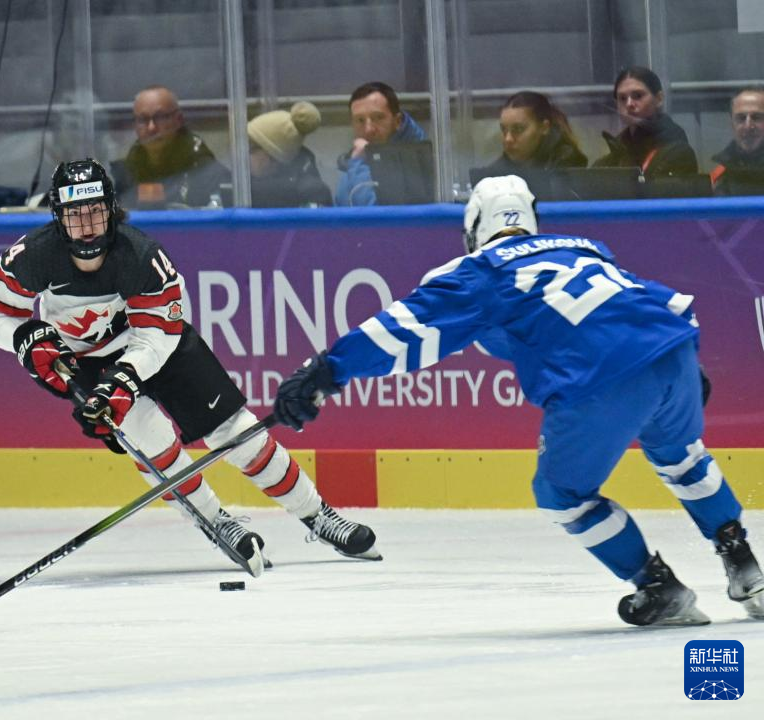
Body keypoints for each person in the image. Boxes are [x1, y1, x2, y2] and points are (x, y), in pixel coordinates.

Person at [272, 174, 764, 627]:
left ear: (473, 230)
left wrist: (327, 370)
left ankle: (657, 586)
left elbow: (402, 329)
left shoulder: (481, 271)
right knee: (682, 458)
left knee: (561, 494)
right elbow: (667, 301)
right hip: (674, 349)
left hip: (600, 375)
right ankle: (745, 565)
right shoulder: (584, 249)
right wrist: (689, 360)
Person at [0, 158, 379, 575]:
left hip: (158, 348)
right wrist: (25, 338)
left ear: (110, 209)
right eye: (75, 214)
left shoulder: (141, 256)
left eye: (95, 211)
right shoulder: (33, 256)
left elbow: (158, 333)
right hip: (87, 363)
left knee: (237, 432)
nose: (88, 225)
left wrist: (126, 376)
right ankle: (216, 521)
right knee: (152, 440)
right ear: (58, 217)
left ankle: (318, 514)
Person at [109, 86, 230, 209]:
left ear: (179, 120)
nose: (151, 127)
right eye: (143, 119)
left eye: (160, 117)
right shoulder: (124, 175)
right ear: (135, 125)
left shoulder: (206, 171)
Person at [593, 66, 698, 178]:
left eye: (638, 96)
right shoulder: (615, 154)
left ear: (659, 99)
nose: (629, 104)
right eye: (622, 98)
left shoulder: (677, 152)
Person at [335, 82, 429, 206]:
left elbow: (374, 214)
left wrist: (358, 163)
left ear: (398, 121)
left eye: (378, 118)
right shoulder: (354, 163)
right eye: (360, 120)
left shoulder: (411, 160)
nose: (368, 129)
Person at [247, 101, 333, 208]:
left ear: (272, 157)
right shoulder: (248, 186)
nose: (246, 156)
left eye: (252, 149)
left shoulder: (312, 193)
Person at [484, 91, 587, 175]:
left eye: (518, 129)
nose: (508, 139)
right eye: (503, 129)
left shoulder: (566, 163)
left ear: (544, 127)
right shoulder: (496, 172)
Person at [709, 87, 764, 195]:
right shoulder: (717, 179)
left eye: (757, 117)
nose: (748, 126)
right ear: (732, 123)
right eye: (741, 118)